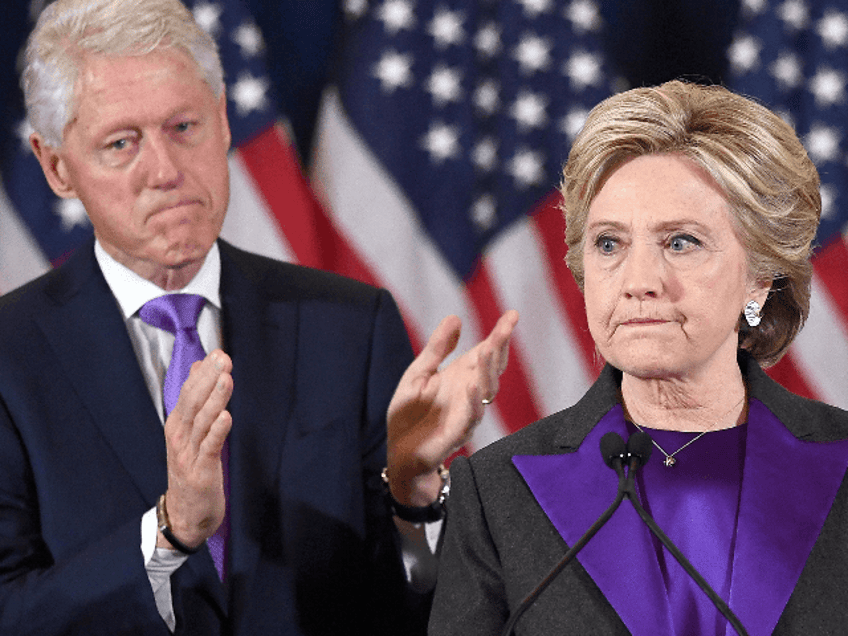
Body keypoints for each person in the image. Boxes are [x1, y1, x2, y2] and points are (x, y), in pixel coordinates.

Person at [0, 1, 518, 635]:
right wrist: (168, 534)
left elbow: (415, 611)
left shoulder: (349, 327)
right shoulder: (11, 357)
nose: (165, 171)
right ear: (56, 166)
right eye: (121, 143)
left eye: (184, 126)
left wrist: (411, 492)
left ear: (221, 121)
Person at [429, 80, 848, 636]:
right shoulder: (497, 491)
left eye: (680, 242)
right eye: (609, 244)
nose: (638, 282)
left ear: (759, 278)